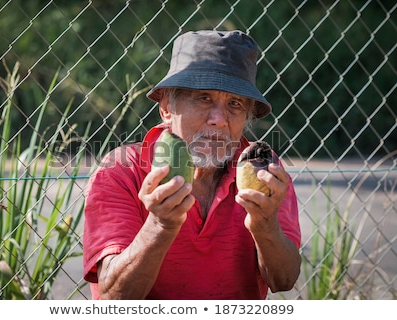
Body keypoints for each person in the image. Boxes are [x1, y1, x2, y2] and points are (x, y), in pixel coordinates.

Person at [83, 30, 301, 300]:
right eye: (203, 98)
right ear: (166, 108)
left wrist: (265, 224)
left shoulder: (261, 168)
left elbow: (284, 280)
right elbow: (113, 298)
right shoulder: (120, 171)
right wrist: (161, 226)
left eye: (235, 103)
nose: (218, 119)